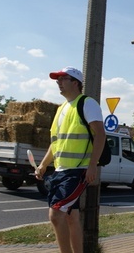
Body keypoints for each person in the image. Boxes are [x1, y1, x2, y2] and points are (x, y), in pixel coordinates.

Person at [35, 66, 106, 253]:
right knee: (70, 217)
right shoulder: (61, 109)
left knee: (55, 214)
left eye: (63, 78)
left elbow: (100, 134)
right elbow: (56, 143)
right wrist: (43, 164)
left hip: (77, 171)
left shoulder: (87, 104)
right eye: (57, 79)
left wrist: (92, 166)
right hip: (61, 171)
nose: (58, 82)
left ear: (75, 83)